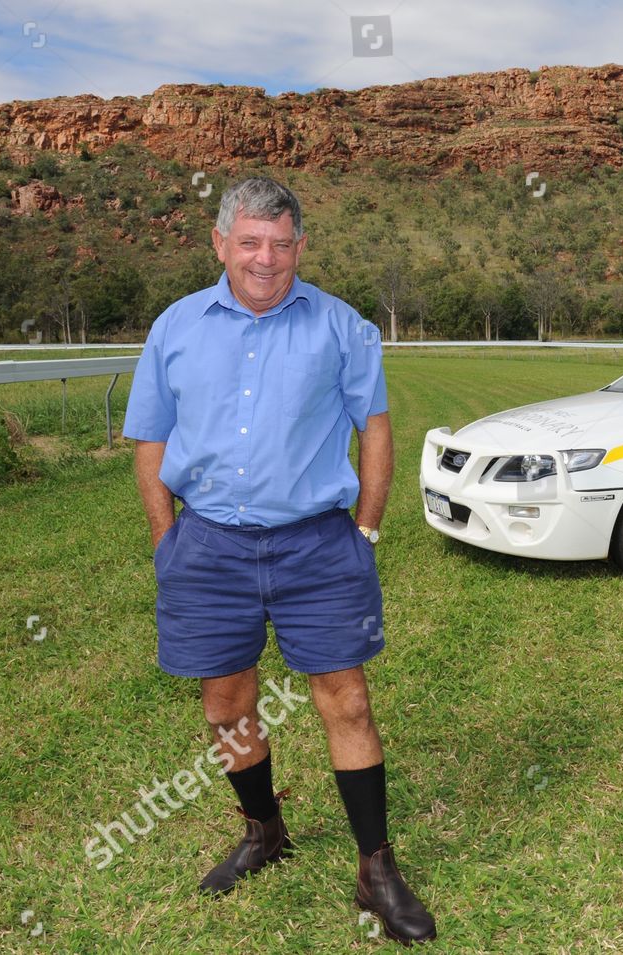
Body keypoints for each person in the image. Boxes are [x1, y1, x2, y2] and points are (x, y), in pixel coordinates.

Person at [121, 176, 435, 944]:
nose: (267, 258)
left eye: (282, 242)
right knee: (226, 704)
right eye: (251, 242)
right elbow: (151, 440)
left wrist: (363, 530)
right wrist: (168, 539)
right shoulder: (175, 327)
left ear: (301, 246)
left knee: (346, 698)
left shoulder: (344, 328)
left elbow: (377, 431)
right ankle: (263, 829)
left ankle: (376, 867)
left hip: (317, 543)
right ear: (220, 243)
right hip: (209, 544)